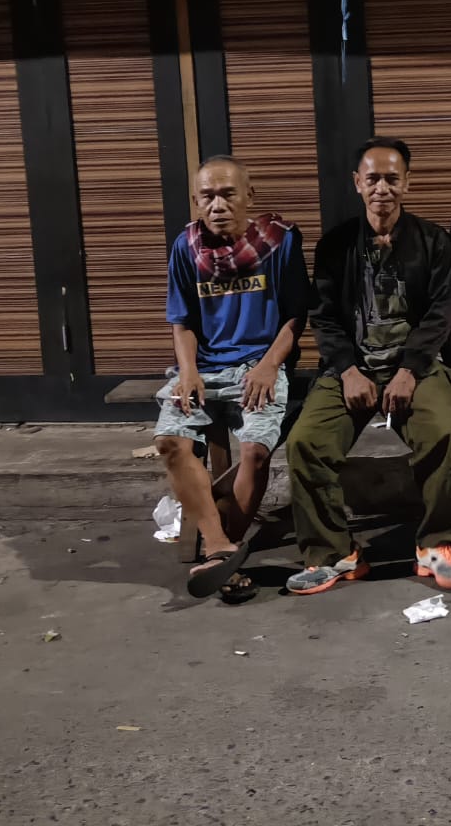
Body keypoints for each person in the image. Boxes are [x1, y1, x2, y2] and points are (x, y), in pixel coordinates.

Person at [285, 137, 451, 595]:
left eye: (392, 179)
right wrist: (348, 370)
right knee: (305, 442)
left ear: (407, 182)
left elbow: (439, 315)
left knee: (446, 433)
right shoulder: (335, 245)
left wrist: (409, 370)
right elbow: (324, 317)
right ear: (357, 183)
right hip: (352, 368)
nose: (382, 189)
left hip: (416, 366)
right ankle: (334, 553)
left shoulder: (433, 241)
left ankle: (437, 545)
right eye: (373, 179)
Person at [154, 156, 308, 601]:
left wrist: (269, 365)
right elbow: (182, 321)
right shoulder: (186, 247)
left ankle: (223, 550)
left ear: (249, 196)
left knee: (255, 450)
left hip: (259, 364)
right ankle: (221, 548)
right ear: (196, 201)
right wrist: (188, 372)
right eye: (207, 197)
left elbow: (296, 315)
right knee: (170, 443)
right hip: (203, 367)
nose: (217, 205)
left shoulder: (281, 242)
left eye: (227, 194)